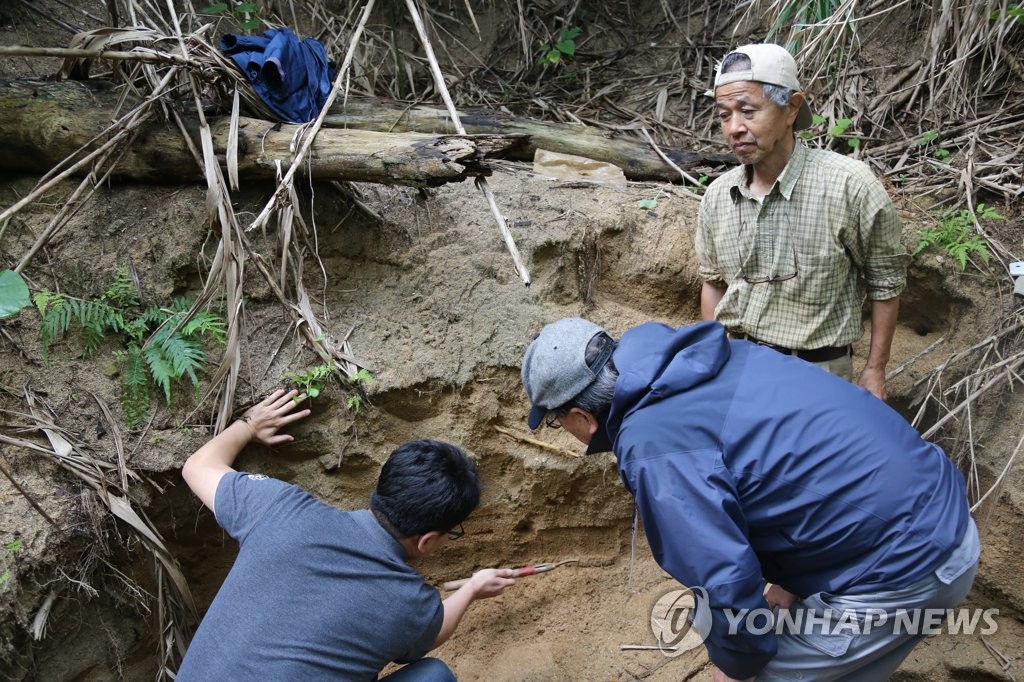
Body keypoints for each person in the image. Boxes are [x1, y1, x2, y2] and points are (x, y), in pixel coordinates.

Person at [521, 317, 979, 681]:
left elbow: (721, 576)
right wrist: (791, 583)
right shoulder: (706, 359)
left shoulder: (654, 444)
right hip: (945, 522)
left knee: (768, 675)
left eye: (556, 420)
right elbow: (796, 475)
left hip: (904, 569)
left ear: (581, 415)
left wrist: (739, 666)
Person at [177, 388, 515, 680]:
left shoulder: (280, 509)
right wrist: (471, 589)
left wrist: (249, 425)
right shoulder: (407, 603)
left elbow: (197, 467)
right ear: (427, 541)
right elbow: (430, 633)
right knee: (433, 676)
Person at [695, 43, 909, 400]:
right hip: (739, 369)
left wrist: (875, 371)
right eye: (723, 115)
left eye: (748, 111)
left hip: (819, 376)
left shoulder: (848, 185)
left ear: (792, 108)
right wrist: (711, 360)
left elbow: (886, 283)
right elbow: (714, 284)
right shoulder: (718, 196)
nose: (734, 128)